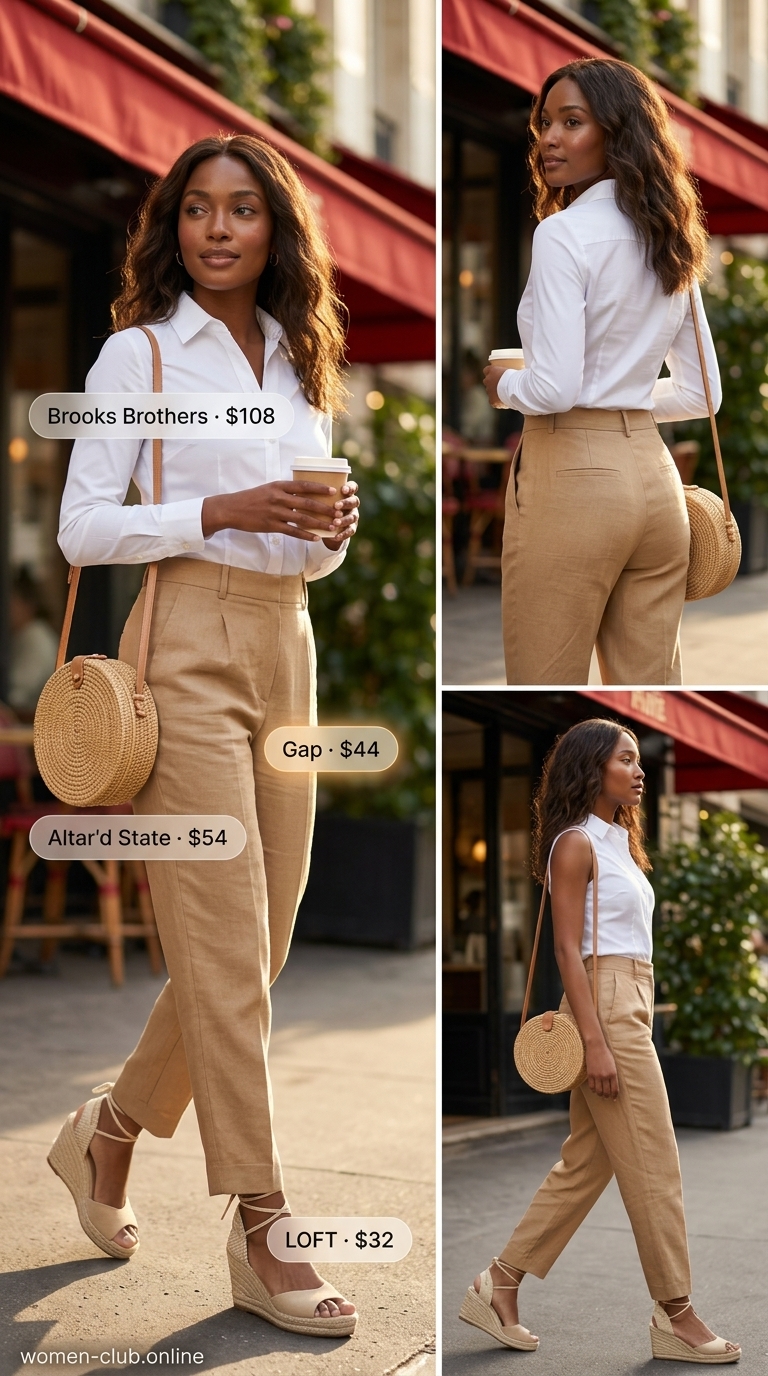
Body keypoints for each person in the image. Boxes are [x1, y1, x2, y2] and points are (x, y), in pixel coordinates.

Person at [47, 133, 361, 1337]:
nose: (218, 230)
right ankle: (264, 1221)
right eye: (196, 211)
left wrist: (325, 526)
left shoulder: (296, 358)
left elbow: (312, 543)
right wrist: (221, 507)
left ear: (276, 229)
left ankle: (107, 1133)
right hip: (180, 646)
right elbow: (83, 527)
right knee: (228, 954)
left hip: (288, 647)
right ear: (171, 228)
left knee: (259, 944)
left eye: (242, 211)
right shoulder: (138, 354)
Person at [459, 718, 741, 1364]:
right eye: (627, 759)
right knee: (658, 1159)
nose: (639, 771)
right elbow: (566, 948)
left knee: (587, 1163)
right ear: (593, 766)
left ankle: (498, 1282)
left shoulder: (619, 841)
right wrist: (597, 1041)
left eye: (640, 761)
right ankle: (678, 1313)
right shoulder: (575, 844)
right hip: (602, 1006)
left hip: (629, 1000)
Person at [483, 58, 721, 686]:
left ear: (618, 132)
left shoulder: (565, 235)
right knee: (646, 688)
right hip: (657, 483)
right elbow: (704, 394)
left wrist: (505, 386)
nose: (549, 138)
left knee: (544, 679)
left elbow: (553, 388)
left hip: (572, 479)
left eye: (572, 122)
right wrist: (629, 403)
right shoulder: (673, 238)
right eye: (545, 123)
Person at [7, 569, 59, 717]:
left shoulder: (35, 636)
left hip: (37, 721)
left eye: (11, 603)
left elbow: (19, 692)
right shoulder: (20, 634)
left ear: (27, 605)